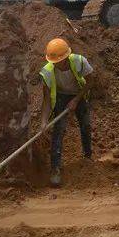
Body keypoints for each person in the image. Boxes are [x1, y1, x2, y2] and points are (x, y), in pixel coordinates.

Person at [39, 37, 93, 187]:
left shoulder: (80, 61)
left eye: (60, 61)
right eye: (54, 62)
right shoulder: (47, 72)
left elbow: (91, 82)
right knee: (58, 131)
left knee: (86, 125)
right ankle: (55, 168)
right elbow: (47, 100)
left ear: (67, 56)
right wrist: (43, 121)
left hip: (79, 93)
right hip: (61, 96)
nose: (57, 64)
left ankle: (88, 158)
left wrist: (76, 99)